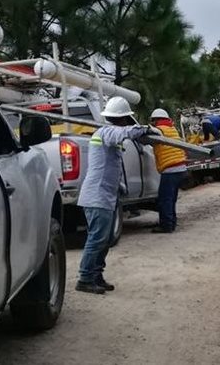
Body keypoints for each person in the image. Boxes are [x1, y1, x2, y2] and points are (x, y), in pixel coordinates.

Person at [77, 96, 153, 295]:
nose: (128, 122)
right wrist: (142, 129)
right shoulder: (106, 132)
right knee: (97, 238)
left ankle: (96, 275)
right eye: (127, 119)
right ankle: (85, 278)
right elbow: (123, 133)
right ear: (122, 119)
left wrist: (119, 185)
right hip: (97, 197)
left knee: (106, 238)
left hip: (107, 195)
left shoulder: (109, 136)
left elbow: (109, 166)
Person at [150, 108, 187, 233]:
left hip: (170, 169)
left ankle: (166, 226)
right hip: (181, 167)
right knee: (171, 198)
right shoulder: (172, 129)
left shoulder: (158, 130)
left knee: (165, 199)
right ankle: (171, 222)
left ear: (156, 120)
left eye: (153, 121)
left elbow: (146, 140)